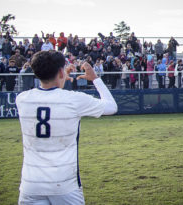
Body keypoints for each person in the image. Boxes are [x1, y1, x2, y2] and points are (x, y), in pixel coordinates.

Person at [16, 51, 117, 205]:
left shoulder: (22, 99)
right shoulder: (73, 100)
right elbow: (111, 107)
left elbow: (50, 97)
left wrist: (60, 77)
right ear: (60, 72)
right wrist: (95, 79)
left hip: (30, 185)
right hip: (64, 184)